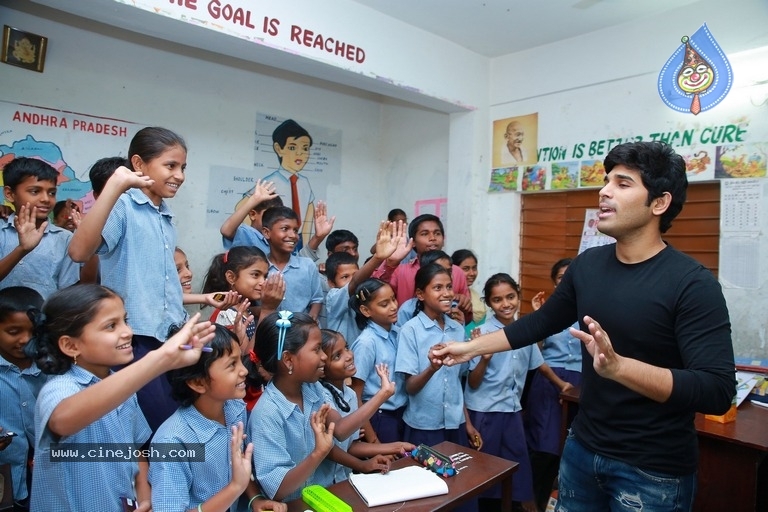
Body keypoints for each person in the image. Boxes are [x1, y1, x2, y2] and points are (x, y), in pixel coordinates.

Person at [433, 141, 735, 512]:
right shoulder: (587, 266)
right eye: (606, 181)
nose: (604, 191)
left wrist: (619, 368)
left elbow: (716, 390)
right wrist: (467, 348)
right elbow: (539, 323)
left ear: (659, 203)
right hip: (582, 451)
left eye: (623, 184)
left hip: (652, 469)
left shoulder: (692, 283)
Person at [68, 127, 234, 432]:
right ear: (139, 165)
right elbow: (79, 251)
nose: (180, 175)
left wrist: (189, 319)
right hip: (137, 339)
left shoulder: (164, 216)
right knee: (161, 427)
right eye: (170, 166)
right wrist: (115, 187)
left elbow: (162, 287)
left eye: (183, 167)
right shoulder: (123, 206)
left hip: (169, 336)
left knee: (184, 419)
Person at [25, 284, 215, 512]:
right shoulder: (61, 387)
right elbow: (63, 420)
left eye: (125, 320)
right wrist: (161, 359)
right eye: (111, 326)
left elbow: (134, 450)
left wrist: (144, 498)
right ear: (70, 345)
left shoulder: (122, 386)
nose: (127, 332)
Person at [247, 311, 395, 501]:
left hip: (325, 498)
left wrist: (382, 395)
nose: (324, 356)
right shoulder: (267, 414)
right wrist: (318, 453)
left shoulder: (312, 388)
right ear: (288, 360)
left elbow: (340, 430)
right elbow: (278, 489)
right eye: (317, 350)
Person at [464, 274, 572, 512]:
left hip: (512, 410)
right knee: (483, 473)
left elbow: (540, 364)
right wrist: (484, 359)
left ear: (518, 295)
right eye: (497, 299)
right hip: (485, 412)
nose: (506, 304)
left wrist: (561, 384)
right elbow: (472, 383)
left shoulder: (525, 330)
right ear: (489, 303)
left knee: (515, 470)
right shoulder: (482, 334)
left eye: (510, 297)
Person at [149, 325, 285, 512]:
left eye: (240, 360)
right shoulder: (172, 443)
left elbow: (240, 470)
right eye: (231, 364)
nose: (244, 371)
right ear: (198, 382)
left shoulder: (235, 410)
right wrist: (235, 487)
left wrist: (255, 498)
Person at [395, 263, 480, 449]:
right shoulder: (411, 331)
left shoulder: (457, 329)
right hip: (423, 425)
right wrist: (432, 369)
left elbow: (456, 382)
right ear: (420, 294)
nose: (447, 293)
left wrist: (468, 423)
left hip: (455, 423)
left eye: (449, 287)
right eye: (437, 288)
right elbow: (410, 387)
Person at [525, 258, 583, 509]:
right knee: (544, 447)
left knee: (573, 447)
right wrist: (539, 318)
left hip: (581, 384)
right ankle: (536, 503)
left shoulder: (595, 307)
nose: (566, 280)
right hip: (548, 381)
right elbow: (534, 351)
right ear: (554, 282)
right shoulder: (549, 311)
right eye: (561, 277)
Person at [319, 329, 412, 483]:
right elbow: (340, 431)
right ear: (321, 368)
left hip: (343, 477)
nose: (349, 356)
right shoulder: (321, 395)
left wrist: (396, 446)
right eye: (337, 356)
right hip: (323, 481)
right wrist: (383, 394)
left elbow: (350, 446)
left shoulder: (349, 394)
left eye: (347, 348)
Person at [0, 157, 80, 298]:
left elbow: (66, 293)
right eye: (35, 191)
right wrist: (21, 250)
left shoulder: (65, 239)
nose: (46, 199)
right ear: (10, 194)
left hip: (44, 319)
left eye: (52, 193)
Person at [372, 213, 472, 320]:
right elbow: (373, 293)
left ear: (443, 239)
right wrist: (390, 263)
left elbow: (467, 317)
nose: (432, 238)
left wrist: (464, 307)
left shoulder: (457, 272)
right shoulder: (400, 271)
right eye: (425, 234)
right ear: (413, 242)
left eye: (437, 233)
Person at [0, 286, 45, 511]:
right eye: (13, 331)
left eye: (32, 332)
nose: (24, 340)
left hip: (45, 475)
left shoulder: (52, 369)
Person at [324, 220, 404, 345]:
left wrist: (391, 263)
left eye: (355, 274)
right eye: (345, 277)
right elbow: (354, 284)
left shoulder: (362, 292)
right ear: (331, 283)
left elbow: (379, 286)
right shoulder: (333, 297)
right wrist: (377, 257)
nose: (351, 279)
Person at [348, 278, 408, 444]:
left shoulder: (398, 333)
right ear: (366, 311)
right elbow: (356, 395)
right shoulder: (367, 343)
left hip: (401, 413)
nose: (394, 306)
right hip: (379, 416)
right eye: (384, 304)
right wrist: (373, 439)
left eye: (394, 299)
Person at [261, 119, 316, 249]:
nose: (299, 153)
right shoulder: (269, 182)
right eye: (292, 147)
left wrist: (306, 248)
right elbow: (245, 211)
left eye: (305, 148)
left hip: (298, 240)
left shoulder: (305, 183)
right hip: (276, 242)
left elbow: (308, 218)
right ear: (278, 149)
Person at [260, 206, 324, 319]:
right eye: (285, 229)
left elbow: (317, 299)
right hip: (269, 332)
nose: (293, 235)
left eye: (295, 230)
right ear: (266, 232)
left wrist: (311, 319)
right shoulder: (259, 268)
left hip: (301, 331)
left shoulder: (307, 265)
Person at [452, 249, 487, 337]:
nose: (472, 273)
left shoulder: (477, 297)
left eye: (474, 268)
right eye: (466, 269)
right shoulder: (451, 298)